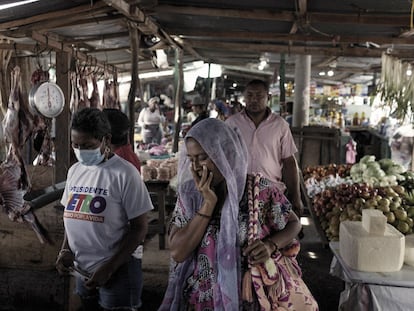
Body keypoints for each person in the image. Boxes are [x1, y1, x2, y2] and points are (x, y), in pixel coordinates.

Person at [159, 118, 318, 310]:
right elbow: (178, 252)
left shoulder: (258, 190)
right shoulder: (189, 194)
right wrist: (208, 204)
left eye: (202, 158)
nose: (195, 167)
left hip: (247, 296)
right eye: (191, 159)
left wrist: (270, 245)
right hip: (201, 298)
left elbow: (294, 223)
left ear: (223, 153)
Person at [55, 108, 154, 311]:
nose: (81, 151)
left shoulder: (125, 174)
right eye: (76, 145)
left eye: (88, 145)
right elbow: (72, 214)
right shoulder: (75, 171)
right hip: (82, 270)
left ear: (106, 139)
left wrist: (109, 269)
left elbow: (139, 229)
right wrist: (65, 249)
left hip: (118, 271)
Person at [226, 79, 304, 218]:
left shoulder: (280, 125)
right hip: (238, 193)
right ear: (244, 97)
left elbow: (289, 162)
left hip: (272, 194)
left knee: (275, 235)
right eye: (249, 95)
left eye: (259, 96)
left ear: (268, 97)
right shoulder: (232, 123)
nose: (254, 99)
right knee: (240, 237)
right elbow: (223, 158)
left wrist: (296, 197)